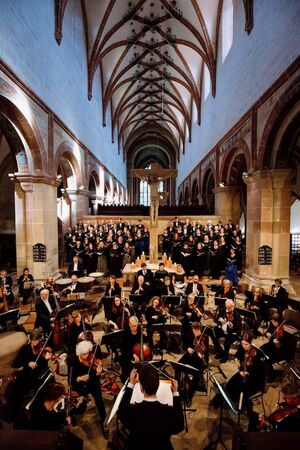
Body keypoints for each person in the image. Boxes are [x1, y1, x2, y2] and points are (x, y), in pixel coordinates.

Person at [118, 365, 184, 450]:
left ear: (141, 388)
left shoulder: (132, 410)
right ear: (157, 386)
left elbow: (120, 413)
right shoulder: (168, 411)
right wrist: (175, 393)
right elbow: (180, 426)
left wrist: (131, 385)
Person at [3, 328, 52, 422]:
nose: (35, 343)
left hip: (37, 375)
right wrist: (28, 363)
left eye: (37, 340)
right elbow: (16, 364)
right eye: (33, 340)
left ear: (40, 339)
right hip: (26, 374)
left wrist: (45, 359)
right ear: (30, 339)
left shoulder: (42, 349)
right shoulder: (25, 349)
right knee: (14, 392)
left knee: (42, 391)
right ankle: (10, 415)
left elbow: (43, 367)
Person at [212, 334, 265, 411]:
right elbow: (237, 354)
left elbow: (259, 373)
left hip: (253, 379)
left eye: (246, 344)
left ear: (250, 343)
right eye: (242, 344)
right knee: (230, 383)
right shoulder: (242, 348)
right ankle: (222, 400)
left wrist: (247, 374)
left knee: (237, 387)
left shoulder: (258, 355)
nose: (244, 346)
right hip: (242, 373)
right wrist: (236, 360)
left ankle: (233, 402)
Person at [71, 340, 107, 437]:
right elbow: (70, 380)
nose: (86, 356)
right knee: (80, 407)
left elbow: (97, 377)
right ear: (79, 353)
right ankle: (72, 414)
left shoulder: (92, 358)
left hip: (93, 384)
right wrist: (79, 378)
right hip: (80, 386)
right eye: (83, 354)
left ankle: (104, 424)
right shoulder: (74, 360)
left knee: (100, 401)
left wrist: (98, 373)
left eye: (88, 353)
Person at [176, 322, 209, 406]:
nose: (195, 332)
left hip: (200, 359)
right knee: (178, 366)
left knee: (197, 376)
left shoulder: (205, 338)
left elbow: (206, 351)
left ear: (200, 329)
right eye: (194, 329)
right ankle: (176, 386)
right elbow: (184, 346)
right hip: (190, 355)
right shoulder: (190, 335)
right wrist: (188, 348)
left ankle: (189, 396)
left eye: (196, 330)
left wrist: (202, 355)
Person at [211, 298, 241, 363]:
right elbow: (216, 319)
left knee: (226, 343)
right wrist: (219, 319)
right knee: (213, 334)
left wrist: (231, 325)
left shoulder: (236, 314)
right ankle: (220, 352)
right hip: (222, 329)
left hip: (232, 332)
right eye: (227, 307)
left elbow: (238, 327)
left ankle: (225, 356)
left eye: (229, 307)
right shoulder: (223, 310)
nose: (228, 309)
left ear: (232, 306)